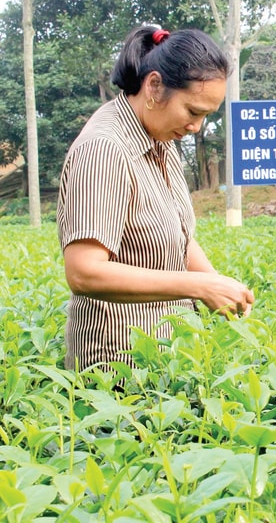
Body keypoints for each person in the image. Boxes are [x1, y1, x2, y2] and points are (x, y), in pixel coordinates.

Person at [57, 26, 255, 372]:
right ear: (154, 86)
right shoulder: (105, 149)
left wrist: (218, 285)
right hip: (117, 366)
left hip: (165, 357)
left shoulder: (160, 139)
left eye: (206, 116)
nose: (197, 127)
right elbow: (84, 273)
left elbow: (176, 236)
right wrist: (197, 286)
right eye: (193, 111)